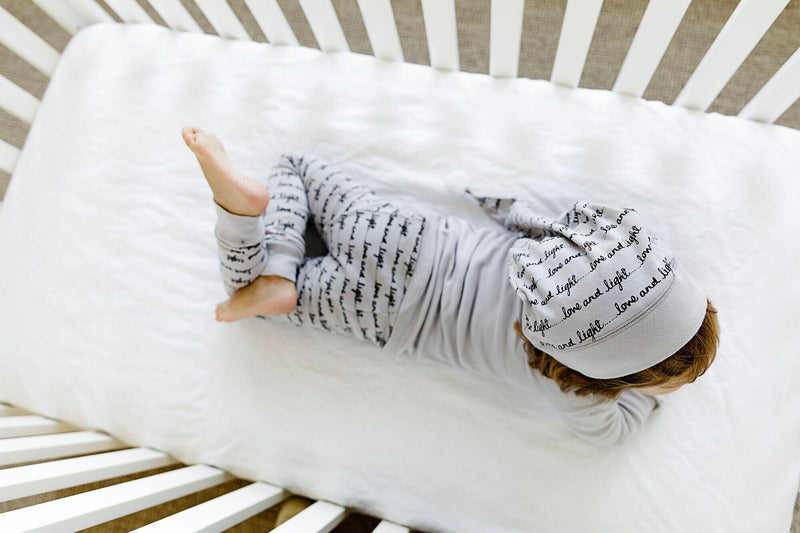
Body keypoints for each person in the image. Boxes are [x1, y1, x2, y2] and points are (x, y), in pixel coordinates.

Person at [182, 126, 719, 449]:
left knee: (296, 167)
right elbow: (613, 434)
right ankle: (254, 246)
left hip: (410, 239)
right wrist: (643, 398)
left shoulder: (570, 253)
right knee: (250, 292)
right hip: (386, 315)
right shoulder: (578, 390)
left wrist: (654, 336)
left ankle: (277, 261)